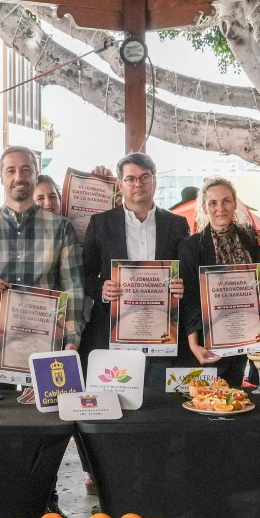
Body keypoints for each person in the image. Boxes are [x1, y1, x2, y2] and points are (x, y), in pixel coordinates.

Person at [0, 145, 84, 389]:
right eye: (11, 170)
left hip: (46, 339)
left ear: (36, 174)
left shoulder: (61, 228)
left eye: (26, 170)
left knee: (45, 419)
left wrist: (72, 338)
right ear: (1, 177)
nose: (18, 177)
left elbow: (74, 289)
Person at [80, 152, 189, 386]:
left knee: (156, 405)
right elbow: (84, 273)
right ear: (121, 184)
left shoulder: (177, 224)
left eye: (145, 177)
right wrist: (101, 288)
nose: (138, 184)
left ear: (155, 180)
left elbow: (185, 272)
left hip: (161, 333)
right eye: (131, 179)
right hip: (114, 331)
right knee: (117, 401)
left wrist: (182, 285)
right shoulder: (100, 223)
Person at [179, 177, 260, 386]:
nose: (220, 208)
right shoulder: (190, 247)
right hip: (208, 343)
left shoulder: (251, 239)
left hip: (246, 338)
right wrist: (193, 343)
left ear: (235, 203)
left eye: (226, 201)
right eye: (213, 203)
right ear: (205, 208)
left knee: (237, 396)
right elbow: (188, 298)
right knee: (209, 399)